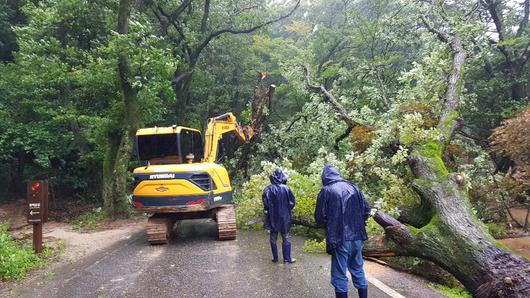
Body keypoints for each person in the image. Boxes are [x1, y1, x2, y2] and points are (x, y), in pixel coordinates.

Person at [314, 165, 371, 298]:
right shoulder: (353, 187)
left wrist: (326, 226)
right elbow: (366, 210)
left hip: (339, 238)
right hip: (357, 236)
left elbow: (319, 217)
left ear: (325, 177)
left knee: (339, 274)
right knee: (358, 269)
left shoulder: (326, 190)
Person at [263, 169, 296, 264]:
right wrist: (286, 210)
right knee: (285, 236)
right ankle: (287, 259)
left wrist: (268, 212)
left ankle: (275, 258)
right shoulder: (286, 188)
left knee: (273, 236)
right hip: (284, 216)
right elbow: (292, 203)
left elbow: (265, 204)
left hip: (272, 216)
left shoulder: (268, 189)